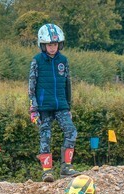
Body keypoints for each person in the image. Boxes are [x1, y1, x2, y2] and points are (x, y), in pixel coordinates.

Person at [29, 23, 78, 182]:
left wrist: (69, 106)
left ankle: (66, 167)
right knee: (45, 136)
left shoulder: (64, 60)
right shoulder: (37, 60)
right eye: (49, 45)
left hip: (61, 106)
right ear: (43, 45)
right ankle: (47, 171)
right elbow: (31, 85)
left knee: (71, 131)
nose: (52, 48)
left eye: (55, 44)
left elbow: (68, 84)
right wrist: (33, 108)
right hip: (43, 107)